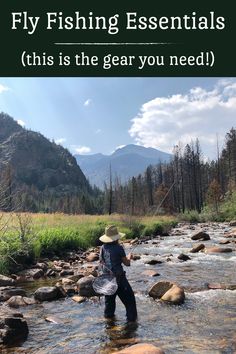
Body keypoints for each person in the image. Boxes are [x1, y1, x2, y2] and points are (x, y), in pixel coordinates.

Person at [99, 225, 137, 322]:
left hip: (107, 280)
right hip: (119, 280)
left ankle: (109, 325)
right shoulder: (118, 248)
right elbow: (127, 263)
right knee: (130, 302)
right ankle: (131, 325)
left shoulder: (103, 247)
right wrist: (129, 257)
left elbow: (101, 262)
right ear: (116, 237)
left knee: (109, 305)